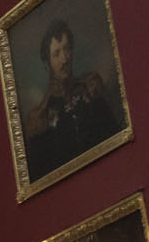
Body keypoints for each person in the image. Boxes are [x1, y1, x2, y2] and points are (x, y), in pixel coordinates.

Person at [23, 19, 123, 181]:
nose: (65, 59)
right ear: (47, 64)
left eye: (67, 49)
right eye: (57, 54)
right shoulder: (40, 119)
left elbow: (115, 136)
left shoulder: (91, 89)